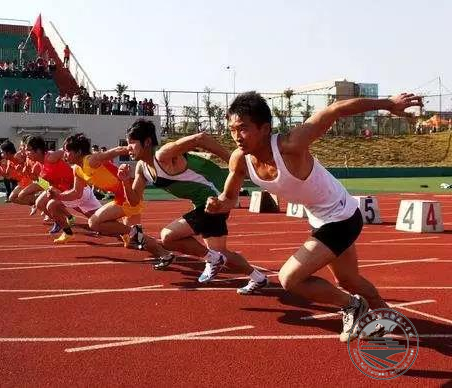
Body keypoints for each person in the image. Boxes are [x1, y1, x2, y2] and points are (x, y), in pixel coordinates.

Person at [205, 91, 422, 341]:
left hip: (342, 217)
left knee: (290, 278)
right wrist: (217, 204)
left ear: (264, 129)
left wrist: (388, 104)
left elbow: (336, 109)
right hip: (322, 220)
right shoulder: (240, 159)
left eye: (243, 128)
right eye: (232, 129)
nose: (236, 136)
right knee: (349, 280)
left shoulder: (290, 145)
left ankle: (352, 306)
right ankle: (384, 315)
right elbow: (229, 198)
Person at [121, 119, 267, 292]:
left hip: (215, 200)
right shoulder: (141, 168)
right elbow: (134, 201)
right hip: (204, 205)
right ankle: (258, 277)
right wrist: (125, 182)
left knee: (168, 236)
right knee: (222, 253)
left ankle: (212, 258)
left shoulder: (163, 155)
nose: (127, 148)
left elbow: (201, 138)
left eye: (131, 143)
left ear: (146, 142)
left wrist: (235, 162)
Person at [52, 133, 173, 264]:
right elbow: (76, 193)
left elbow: (114, 151)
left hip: (128, 196)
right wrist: (58, 195)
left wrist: (133, 148)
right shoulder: (77, 169)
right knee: (130, 242)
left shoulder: (91, 160)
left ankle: (152, 244)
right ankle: (165, 252)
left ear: (78, 152)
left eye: (67, 151)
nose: (64, 154)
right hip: (120, 197)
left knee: (95, 223)